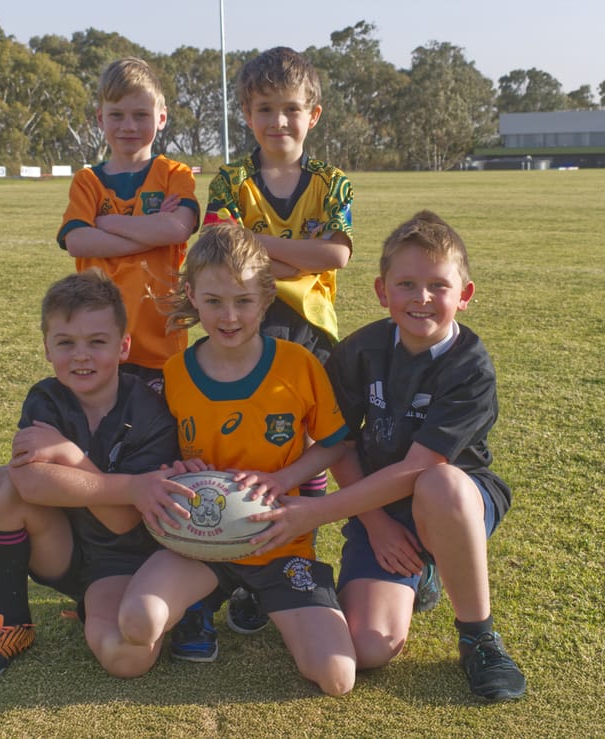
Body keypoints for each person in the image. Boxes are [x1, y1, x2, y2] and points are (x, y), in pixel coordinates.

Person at [249, 211, 527, 702]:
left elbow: (420, 467)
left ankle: (478, 636)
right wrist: (375, 524)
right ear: (382, 291)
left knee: (437, 484)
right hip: (380, 504)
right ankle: (419, 575)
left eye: (438, 286)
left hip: (457, 499)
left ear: (464, 295)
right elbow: (336, 441)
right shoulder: (361, 350)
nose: (422, 298)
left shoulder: (470, 367)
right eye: (407, 284)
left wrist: (313, 512)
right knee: (369, 647)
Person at [116, 224, 357, 695]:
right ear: (192, 295)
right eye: (213, 301)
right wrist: (173, 470)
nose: (229, 316)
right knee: (137, 624)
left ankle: (261, 594)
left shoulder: (299, 364)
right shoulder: (175, 373)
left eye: (244, 301)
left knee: (336, 677)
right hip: (196, 540)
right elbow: (158, 455)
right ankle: (204, 600)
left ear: (267, 298)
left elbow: (336, 444)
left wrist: (284, 477)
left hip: (278, 538)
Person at [188, 44, 355, 650]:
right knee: (244, 447)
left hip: (312, 332)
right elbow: (218, 248)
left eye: (290, 109)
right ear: (247, 114)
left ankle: (296, 561)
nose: (277, 122)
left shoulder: (331, 182)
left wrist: (254, 242)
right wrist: (287, 250)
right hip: (242, 325)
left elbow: (335, 255)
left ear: (314, 114)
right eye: (265, 109)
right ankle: (240, 566)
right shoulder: (231, 179)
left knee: (319, 449)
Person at [0, 269, 181, 678]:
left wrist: (69, 455)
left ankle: (160, 604)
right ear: (46, 348)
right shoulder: (46, 398)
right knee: (0, 485)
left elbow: (123, 517)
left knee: (126, 661)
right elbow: (29, 482)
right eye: (66, 343)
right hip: (63, 547)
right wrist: (128, 485)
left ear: (124, 345)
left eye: (97, 342)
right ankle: (12, 623)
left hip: (123, 559)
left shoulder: (149, 410)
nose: (81, 355)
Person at [56, 57, 199, 392]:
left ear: (161, 117)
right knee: (102, 433)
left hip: (160, 345)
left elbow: (178, 229)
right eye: (116, 115)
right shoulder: (88, 181)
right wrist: (152, 230)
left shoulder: (174, 174)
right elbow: (77, 241)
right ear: (99, 118)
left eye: (141, 115)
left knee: (159, 435)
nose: (128, 126)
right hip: (98, 341)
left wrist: (106, 222)